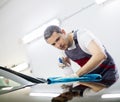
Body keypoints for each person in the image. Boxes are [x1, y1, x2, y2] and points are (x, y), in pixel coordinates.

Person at [43, 25, 119, 93]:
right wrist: (66, 67)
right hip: (92, 78)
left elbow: (100, 55)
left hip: (109, 75)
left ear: (63, 32)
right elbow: (70, 75)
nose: (58, 45)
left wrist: (77, 74)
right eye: (53, 44)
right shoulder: (63, 49)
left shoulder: (82, 35)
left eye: (58, 39)